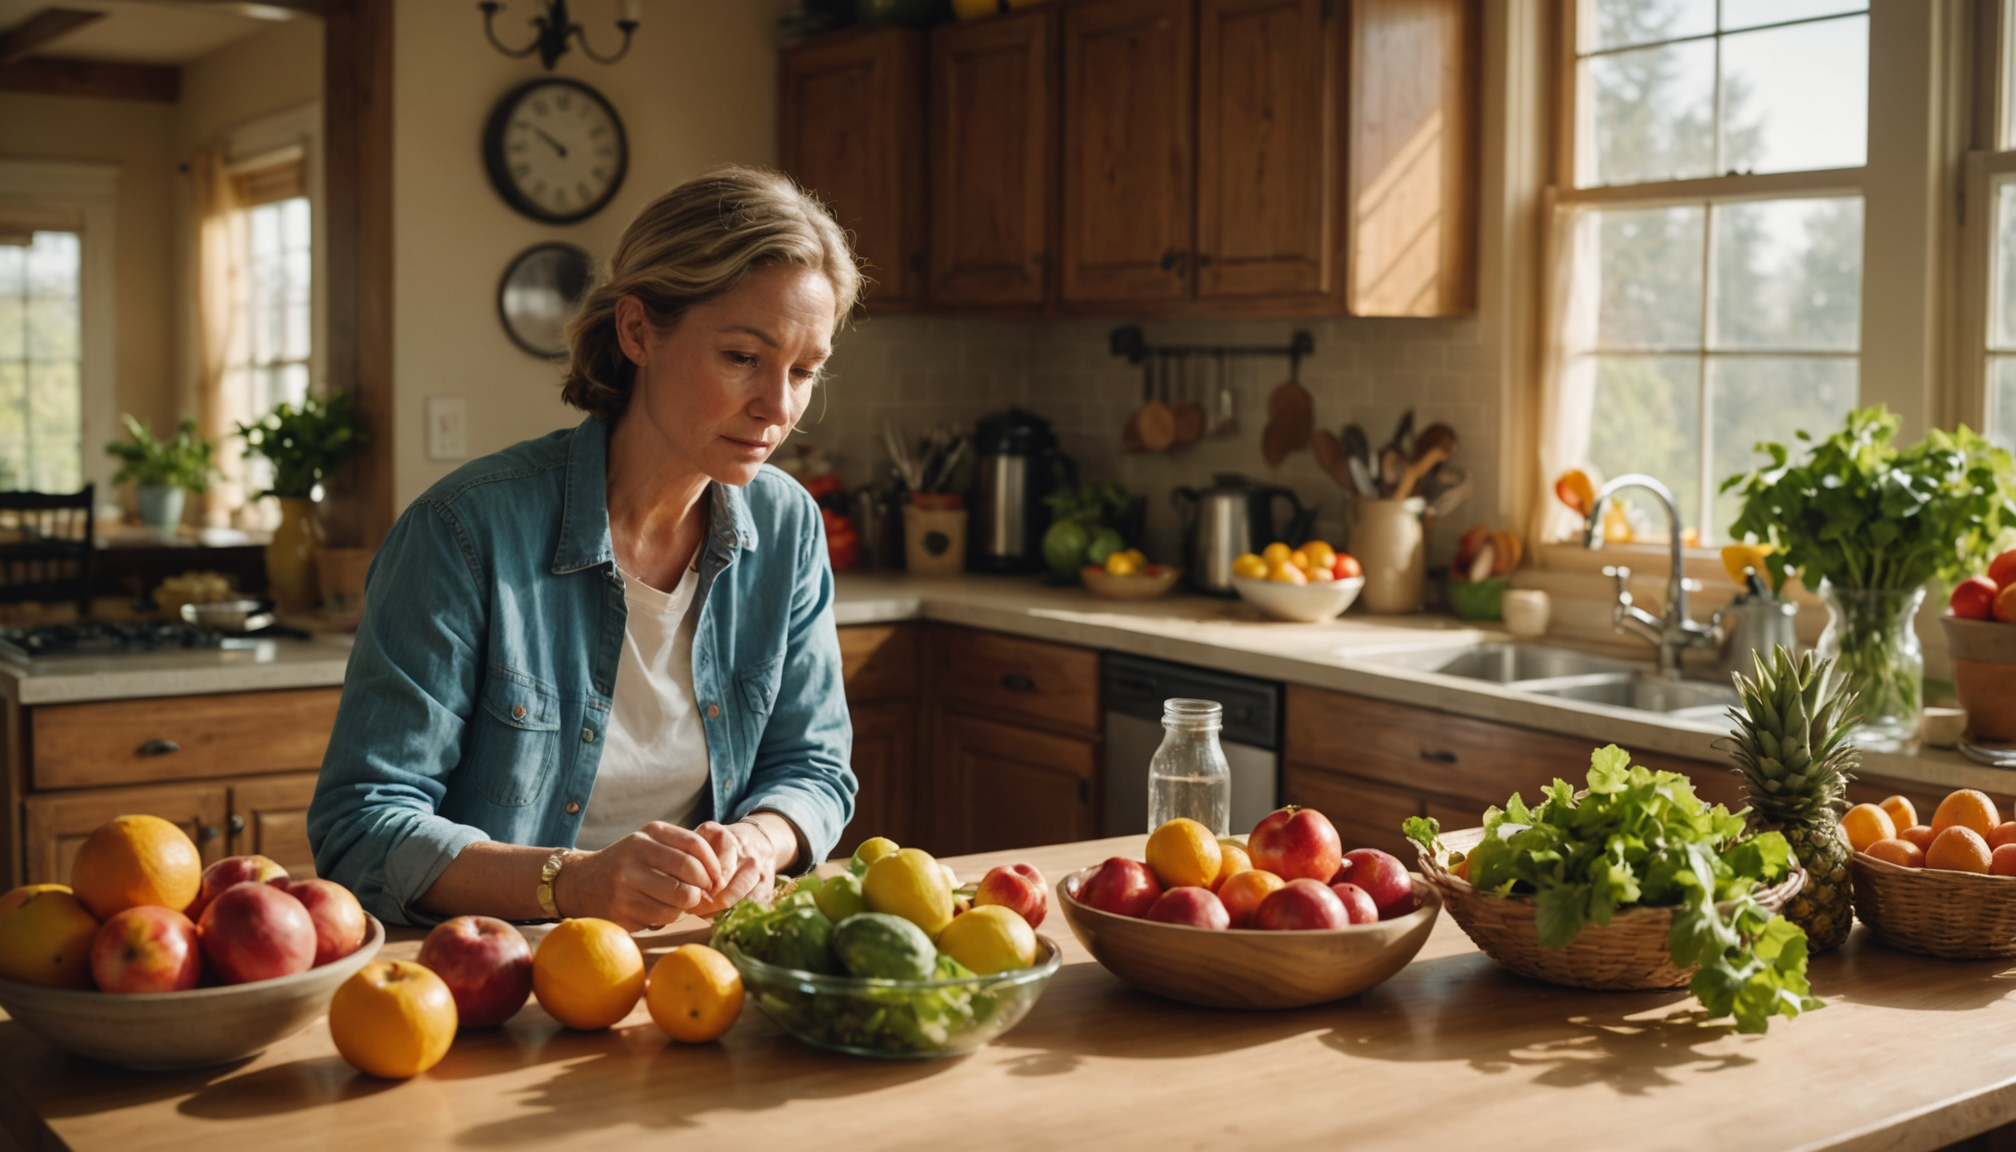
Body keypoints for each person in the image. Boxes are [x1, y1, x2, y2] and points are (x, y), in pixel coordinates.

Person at [309, 166, 860, 930]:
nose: (778, 407)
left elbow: (816, 768)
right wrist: (569, 883)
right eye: (742, 358)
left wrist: (757, 843)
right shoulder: (464, 533)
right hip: (497, 977)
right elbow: (361, 826)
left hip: (701, 969)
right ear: (637, 331)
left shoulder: (790, 527)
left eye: (804, 372)